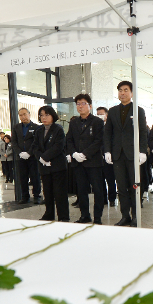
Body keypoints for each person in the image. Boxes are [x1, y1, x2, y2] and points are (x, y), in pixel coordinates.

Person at [103, 81, 148, 227]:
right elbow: (108, 132)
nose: (122, 93)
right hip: (117, 155)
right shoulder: (113, 111)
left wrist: (142, 151)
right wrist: (107, 150)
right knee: (121, 187)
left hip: (133, 154)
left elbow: (142, 132)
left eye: (126, 90)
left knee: (134, 186)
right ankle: (125, 216)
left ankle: (135, 216)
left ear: (132, 93)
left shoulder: (138, 110)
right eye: (120, 90)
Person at [66, 93, 105, 225]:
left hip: (93, 162)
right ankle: (85, 215)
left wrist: (85, 154)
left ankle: (98, 217)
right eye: (78, 104)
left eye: (83, 103)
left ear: (90, 106)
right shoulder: (73, 122)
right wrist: (74, 153)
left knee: (98, 190)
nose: (80, 106)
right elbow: (69, 140)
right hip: (78, 163)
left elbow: (99, 141)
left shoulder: (97, 122)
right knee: (81, 190)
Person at [31, 105, 69, 222]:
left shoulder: (58, 129)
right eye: (41, 115)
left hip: (57, 166)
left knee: (59, 193)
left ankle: (63, 216)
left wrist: (46, 157)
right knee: (47, 192)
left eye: (47, 115)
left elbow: (58, 147)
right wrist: (41, 158)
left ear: (53, 115)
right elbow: (35, 146)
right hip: (44, 167)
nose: (44, 117)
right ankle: (49, 214)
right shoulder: (39, 130)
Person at [12, 108, 42, 204]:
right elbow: (14, 142)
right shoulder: (16, 127)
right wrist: (20, 153)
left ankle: (37, 195)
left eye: (24, 114)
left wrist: (29, 153)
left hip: (32, 157)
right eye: (20, 115)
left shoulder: (37, 127)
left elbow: (36, 142)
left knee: (35, 176)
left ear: (29, 114)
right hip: (20, 157)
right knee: (23, 177)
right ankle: (25, 196)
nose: (23, 117)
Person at [96, 106, 117, 207]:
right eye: (98, 114)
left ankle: (112, 198)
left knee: (110, 179)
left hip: (108, 157)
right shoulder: (96, 127)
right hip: (97, 158)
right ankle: (103, 199)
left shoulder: (110, 127)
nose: (99, 116)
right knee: (100, 180)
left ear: (106, 115)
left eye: (101, 114)